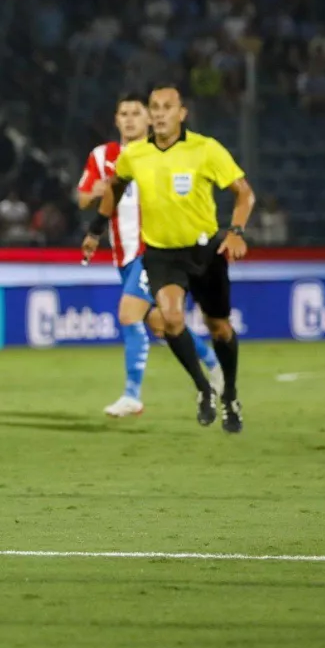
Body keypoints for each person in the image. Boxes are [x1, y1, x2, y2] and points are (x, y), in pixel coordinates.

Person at [83, 84, 255, 433]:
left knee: (219, 328)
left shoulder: (205, 149)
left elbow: (244, 194)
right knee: (170, 320)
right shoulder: (135, 155)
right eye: (155, 107)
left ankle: (230, 395)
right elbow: (115, 186)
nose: (160, 114)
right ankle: (203, 388)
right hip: (161, 253)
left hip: (204, 251)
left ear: (181, 113)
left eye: (166, 107)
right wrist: (96, 229)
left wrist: (236, 231)